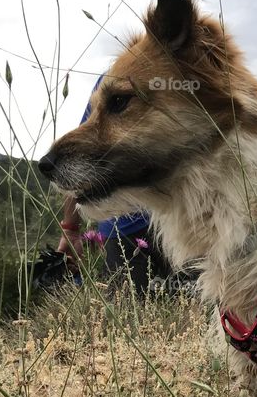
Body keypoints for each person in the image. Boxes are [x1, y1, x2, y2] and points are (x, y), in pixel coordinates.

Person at [55, 75, 176, 294]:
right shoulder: (110, 84)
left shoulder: (112, 79)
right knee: (191, 307)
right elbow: (82, 161)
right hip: (138, 226)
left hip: (171, 224)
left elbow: (82, 163)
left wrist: (71, 230)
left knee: (136, 312)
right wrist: (70, 230)